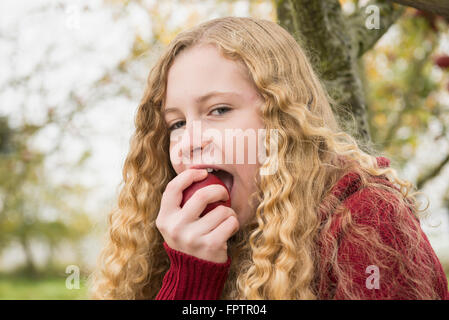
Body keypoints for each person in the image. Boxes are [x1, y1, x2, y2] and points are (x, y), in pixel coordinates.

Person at [89, 16, 449, 300]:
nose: (190, 142)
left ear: (284, 120)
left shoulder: (364, 222)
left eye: (218, 110)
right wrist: (191, 274)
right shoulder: (177, 242)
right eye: (177, 123)